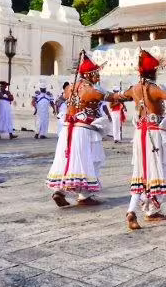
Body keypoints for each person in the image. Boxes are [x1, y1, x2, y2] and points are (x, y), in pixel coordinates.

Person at [46, 52, 120, 207]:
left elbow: (61, 100)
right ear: (89, 74)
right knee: (91, 159)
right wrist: (132, 94)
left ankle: (60, 191)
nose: (98, 76)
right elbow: (113, 98)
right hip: (84, 130)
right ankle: (84, 195)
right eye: (96, 73)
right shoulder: (90, 89)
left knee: (67, 161)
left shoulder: (70, 88)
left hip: (68, 129)